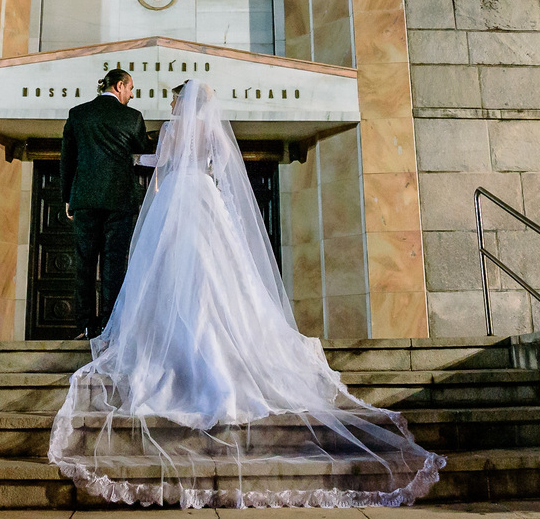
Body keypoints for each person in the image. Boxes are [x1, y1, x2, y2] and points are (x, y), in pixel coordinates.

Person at [49, 80, 445, 508]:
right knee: (217, 275)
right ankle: (222, 345)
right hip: (204, 198)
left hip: (174, 200)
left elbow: (158, 164)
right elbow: (222, 170)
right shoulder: (209, 130)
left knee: (165, 270)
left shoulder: (169, 128)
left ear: (180, 101)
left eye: (173, 98)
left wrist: (123, 159)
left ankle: (155, 339)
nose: (169, 103)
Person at [59, 68, 149, 340]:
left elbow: (67, 159)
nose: (132, 95)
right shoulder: (132, 118)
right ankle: (109, 328)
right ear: (120, 86)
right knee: (114, 265)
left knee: (84, 264)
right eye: (131, 89)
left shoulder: (78, 113)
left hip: (85, 200)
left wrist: (67, 197)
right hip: (119, 201)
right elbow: (144, 151)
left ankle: (85, 326)